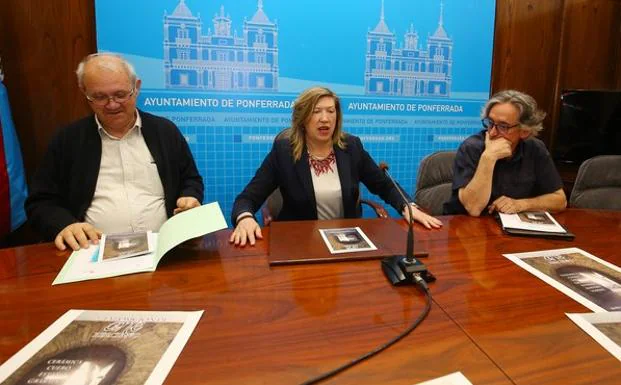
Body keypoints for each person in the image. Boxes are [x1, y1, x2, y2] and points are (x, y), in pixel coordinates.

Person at [25, 53, 203, 251]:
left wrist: (190, 197)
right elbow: (40, 202)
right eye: (100, 97)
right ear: (85, 93)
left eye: (120, 94)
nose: (112, 104)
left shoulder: (165, 131)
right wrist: (66, 225)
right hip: (92, 253)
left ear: (136, 88)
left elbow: (191, 179)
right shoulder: (67, 140)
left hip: (164, 249)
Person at [230, 86, 442, 246]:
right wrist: (245, 218)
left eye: (331, 111)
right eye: (317, 111)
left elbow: (384, 186)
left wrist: (409, 207)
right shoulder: (284, 152)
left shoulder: (351, 148)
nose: (325, 119)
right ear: (303, 119)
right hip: (300, 244)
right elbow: (247, 198)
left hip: (348, 241)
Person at [443, 89, 567, 216]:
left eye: (503, 126)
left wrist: (521, 204)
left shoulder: (535, 149)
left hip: (511, 226)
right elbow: (473, 208)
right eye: (490, 123)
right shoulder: (471, 147)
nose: (492, 133)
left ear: (524, 131)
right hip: (465, 227)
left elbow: (560, 200)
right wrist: (488, 157)